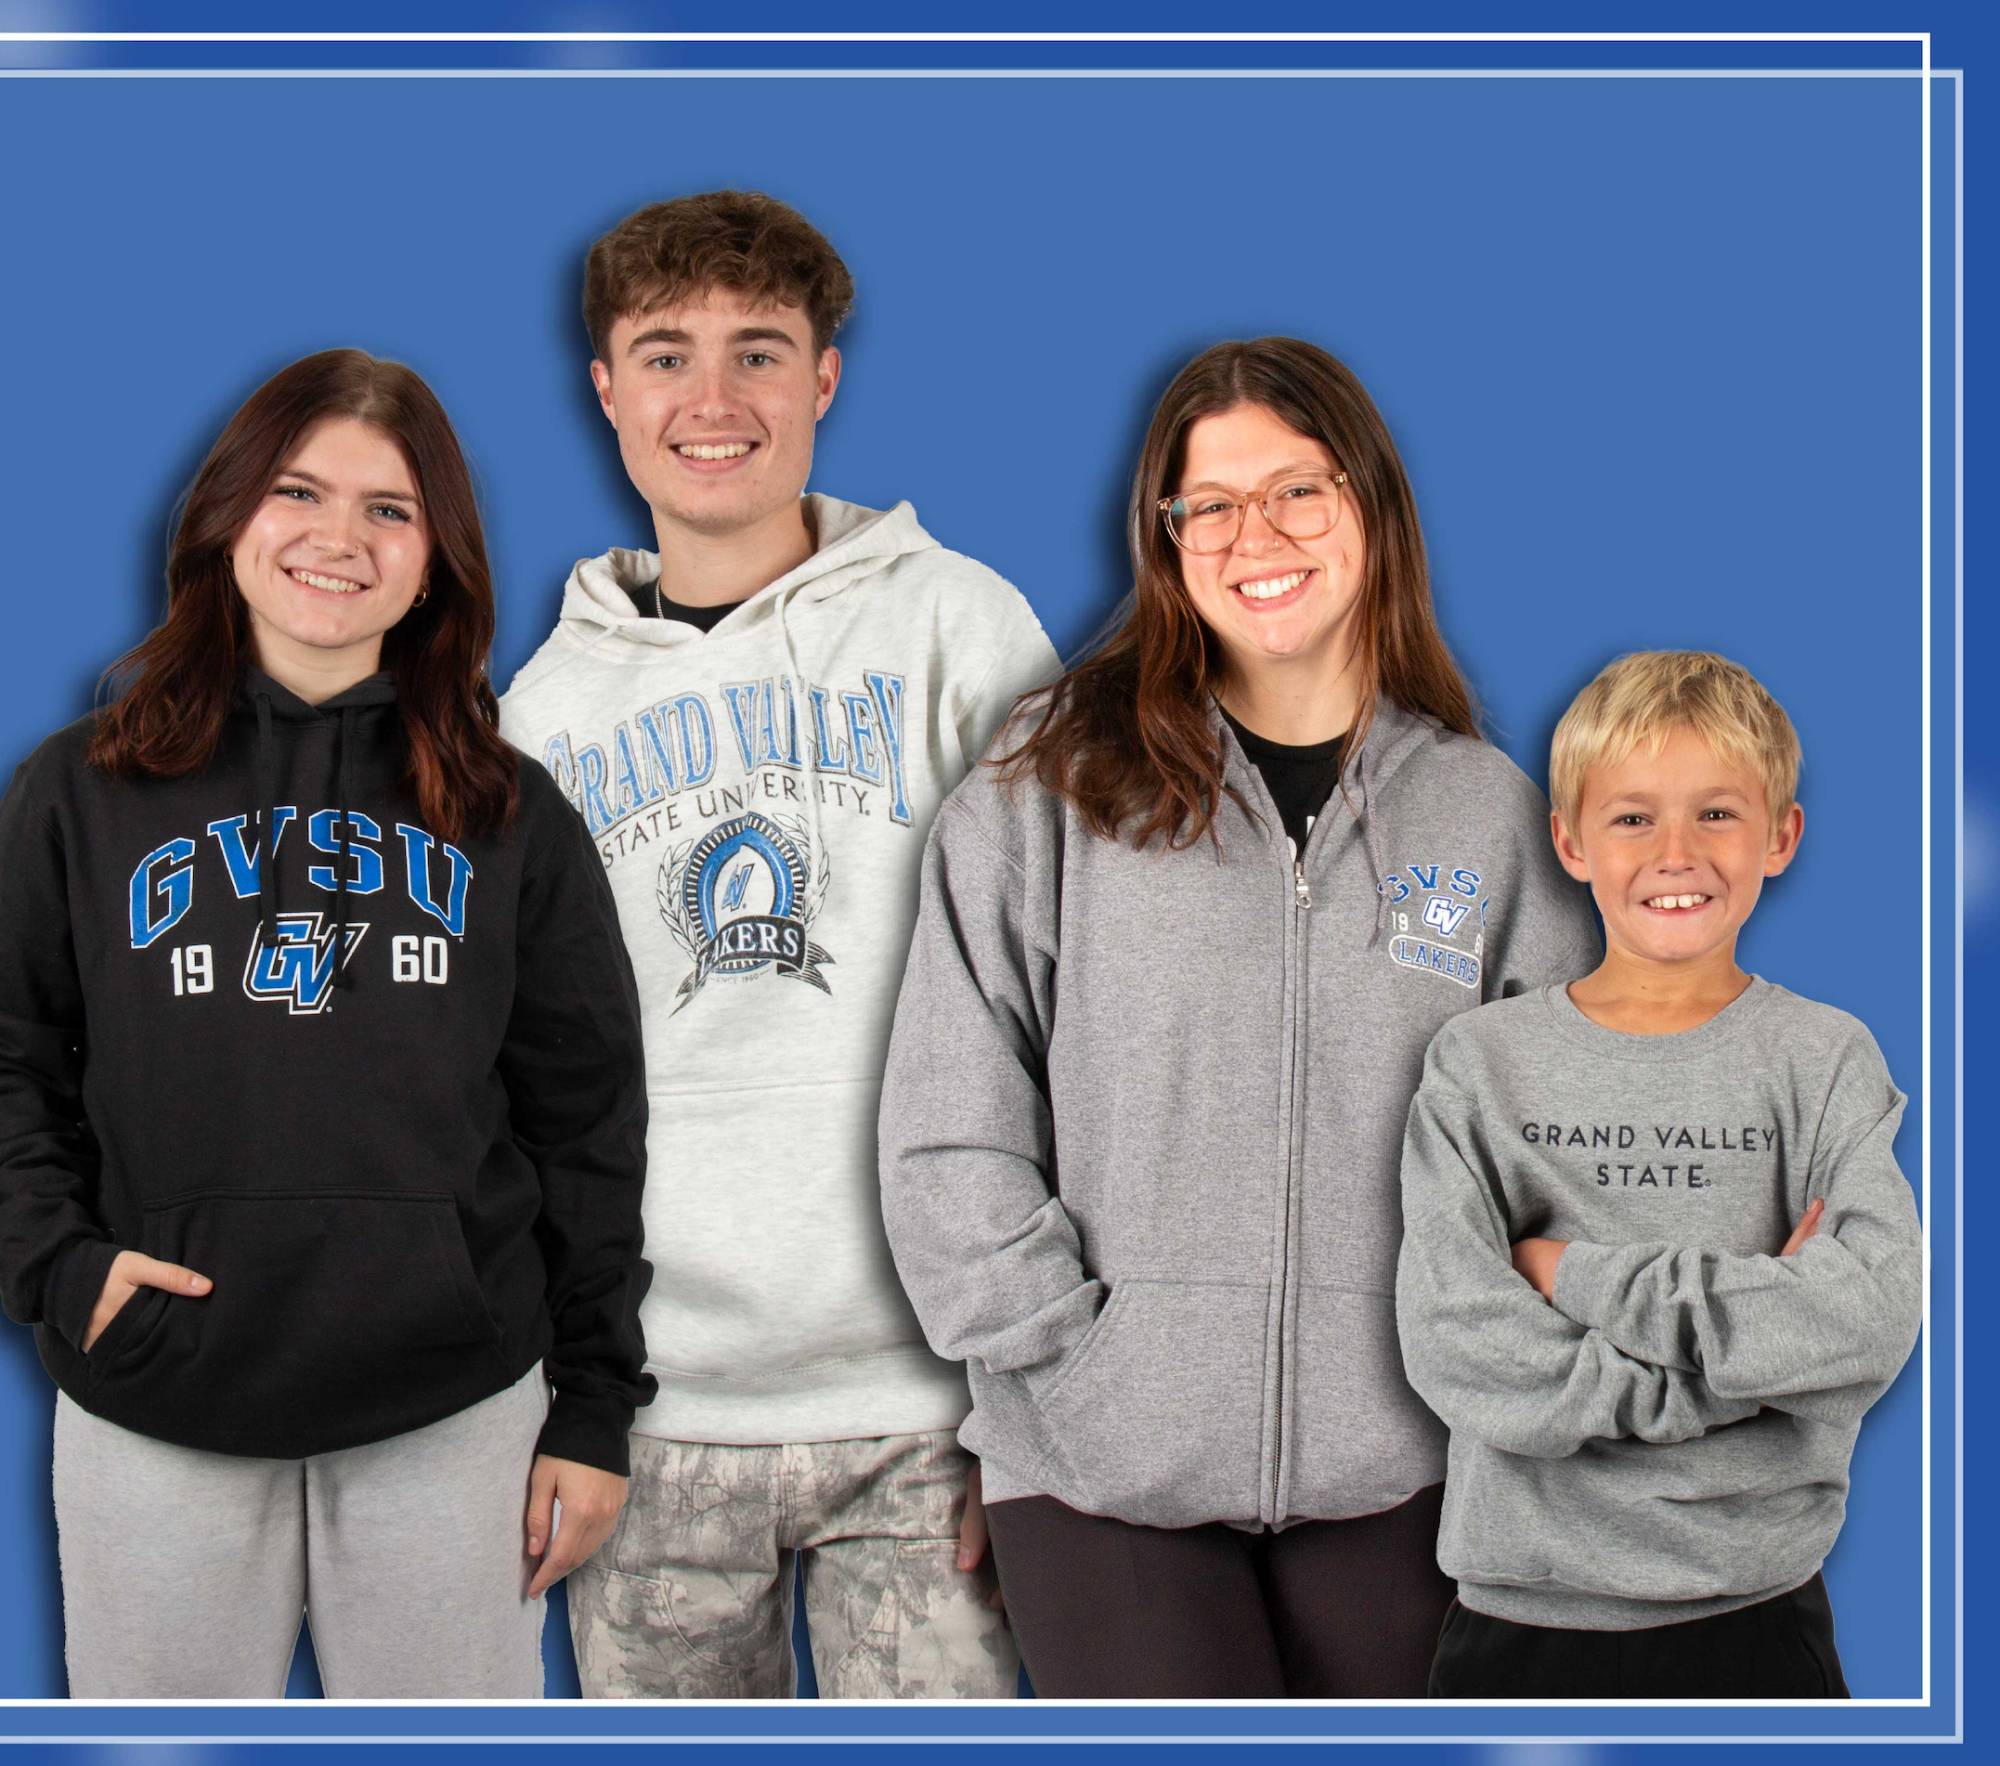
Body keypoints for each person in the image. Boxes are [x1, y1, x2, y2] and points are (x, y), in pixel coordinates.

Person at [876, 335, 1601, 1698]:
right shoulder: (1052, 786)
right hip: (1100, 1463)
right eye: (1209, 504)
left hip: (1408, 1461)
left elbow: (1551, 1145)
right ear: (1166, 537)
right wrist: (1074, 1357)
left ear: (1372, 507)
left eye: (1296, 492)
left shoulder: (1485, 813)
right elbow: (946, 1120)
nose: (1251, 535)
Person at [0, 349, 655, 1699]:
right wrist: (64, 1270)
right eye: (299, 490)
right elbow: (7, 1061)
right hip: (156, 1401)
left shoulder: (512, 816)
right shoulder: (81, 790)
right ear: (230, 517)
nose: (337, 538)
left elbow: (588, 1125)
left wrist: (592, 1410)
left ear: (438, 561)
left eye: (390, 508)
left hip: (454, 1406)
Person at [498, 190, 1051, 1699]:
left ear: (825, 379)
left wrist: (1048, 1403)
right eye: (664, 355)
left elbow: (1076, 1005)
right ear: (605, 390)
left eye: (761, 350)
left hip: (932, 1406)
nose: (715, 399)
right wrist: (565, 1398)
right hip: (653, 1413)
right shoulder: (535, 719)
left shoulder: (961, 629)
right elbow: (516, 1087)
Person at [1396, 650, 1921, 1699]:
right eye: (1631, 817)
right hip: (1515, 1621)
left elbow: (1865, 1316)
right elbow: (1452, 1338)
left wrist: (1567, 1273)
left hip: (1755, 1618)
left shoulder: (1822, 1058)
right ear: (1568, 840)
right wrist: (1730, 1366)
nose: (1674, 852)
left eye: (1716, 814)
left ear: (1780, 835)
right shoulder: (1478, 1061)